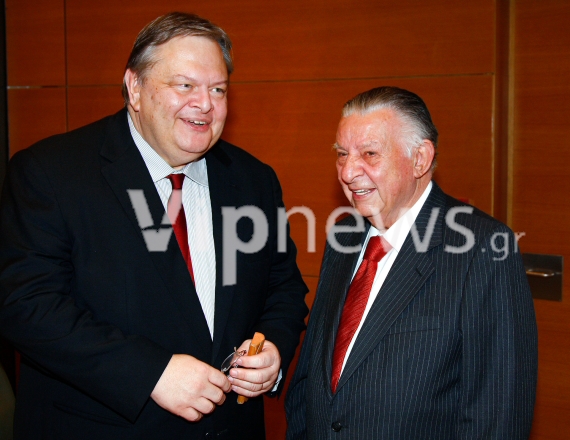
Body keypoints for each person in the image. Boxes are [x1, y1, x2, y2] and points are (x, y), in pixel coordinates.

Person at [0, 12, 308, 440]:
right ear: (135, 88)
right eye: (184, 85)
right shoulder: (51, 173)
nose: (205, 104)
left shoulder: (253, 180)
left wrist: (272, 348)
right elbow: (27, 306)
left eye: (218, 89)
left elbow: (283, 287)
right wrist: (150, 373)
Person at [285, 87, 537, 439]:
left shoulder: (483, 249)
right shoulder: (343, 237)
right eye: (342, 154)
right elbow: (311, 376)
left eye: (369, 154)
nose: (348, 171)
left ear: (420, 159)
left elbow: (498, 417)